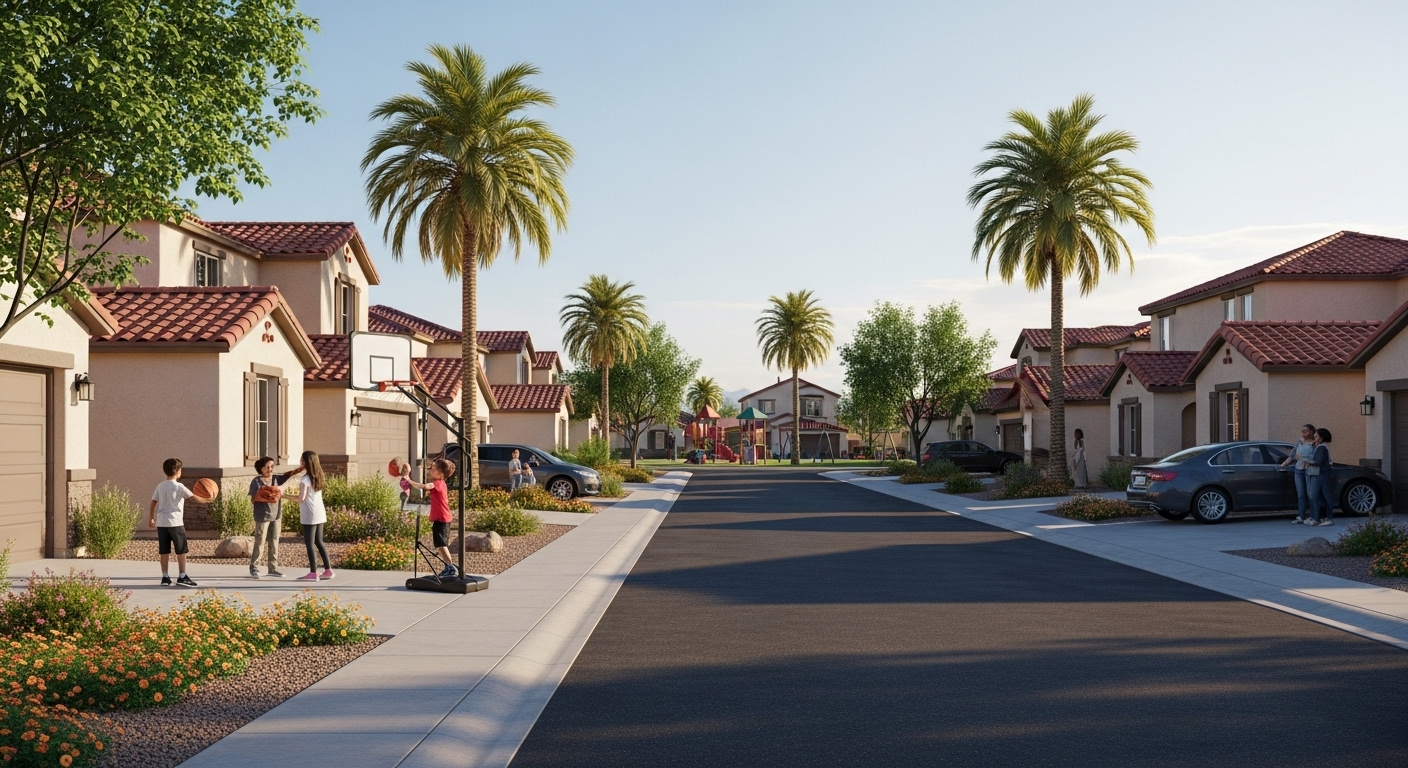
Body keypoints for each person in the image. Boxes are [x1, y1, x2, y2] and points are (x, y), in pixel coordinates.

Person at [247, 457, 302, 579]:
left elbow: (289, 474)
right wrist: (266, 494)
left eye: (272, 466)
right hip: (262, 516)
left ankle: (273, 568)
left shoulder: (277, 479)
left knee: (274, 540)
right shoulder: (256, 482)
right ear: (260, 469)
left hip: (276, 515)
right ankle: (254, 567)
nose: (270, 469)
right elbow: (253, 499)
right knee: (260, 541)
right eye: (267, 467)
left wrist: (303, 467)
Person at [406, 458, 458, 579]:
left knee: (442, 544)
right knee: (439, 544)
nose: (431, 470)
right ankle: (448, 566)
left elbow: (423, 486)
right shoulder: (439, 483)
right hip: (440, 519)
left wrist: (408, 479)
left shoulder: (438, 484)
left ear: (440, 474)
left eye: (434, 469)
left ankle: (451, 566)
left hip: (442, 519)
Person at [149, 458, 197, 587]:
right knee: (181, 551)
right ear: (177, 471)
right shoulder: (179, 486)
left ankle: (165, 577)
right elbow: (194, 498)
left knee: (164, 551)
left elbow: (153, 502)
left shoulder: (160, 485)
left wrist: (151, 518)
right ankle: (182, 576)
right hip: (175, 523)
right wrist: (208, 499)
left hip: (162, 523)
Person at [293, 450, 334, 581]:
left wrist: (283, 495)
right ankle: (328, 570)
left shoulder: (305, 479)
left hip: (309, 514)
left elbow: (301, 498)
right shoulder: (318, 477)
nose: (300, 462)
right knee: (319, 541)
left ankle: (313, 573)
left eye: (302, 460)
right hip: (320, 513)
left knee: (309, 543)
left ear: (307, 462)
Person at [1280, 424, 1317, 524]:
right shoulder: (1300, 442)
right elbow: (1292, 455)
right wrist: (1282, 465)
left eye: (1306, 431)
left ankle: (1313, 516)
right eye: (1302, 431)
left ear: (1312, 431)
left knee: (1311, 494)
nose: (1304, 433)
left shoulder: (1315, 443)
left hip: (1310, 470)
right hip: (1299, 470)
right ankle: (1301, 516)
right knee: (1301, 494)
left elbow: (1317, 458)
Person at [1306, 427, 1335, 527]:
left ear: (1321, 438)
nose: (1314, 436)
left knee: (1323, 495)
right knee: (1320, 495)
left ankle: (1327, 517)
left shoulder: (1322, 448)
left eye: (1317, 435)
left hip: (1322, 474)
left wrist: (1306, 460)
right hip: (1321, 473)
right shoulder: (1319, 447)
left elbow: (1318, 461)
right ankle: (1321, 516)